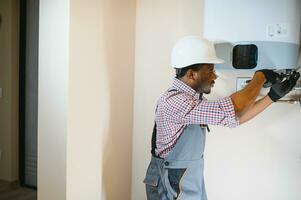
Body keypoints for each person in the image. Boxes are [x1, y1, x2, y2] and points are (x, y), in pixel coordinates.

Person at [143, 36, 300, 200]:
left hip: (186, 178)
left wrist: (273, 96)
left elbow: (235, 118)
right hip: (172, 184)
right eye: (210, 70)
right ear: (191, 75)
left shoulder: (193, 100)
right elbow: (236, 107)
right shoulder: (175, 102)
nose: (215, 76)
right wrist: (260, 77)